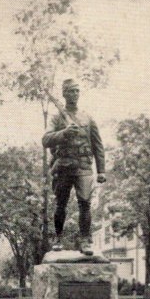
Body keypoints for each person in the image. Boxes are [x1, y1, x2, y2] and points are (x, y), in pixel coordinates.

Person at [42, 79, 106, 255]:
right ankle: (58, 238)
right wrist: (63, 133)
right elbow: (45, 140)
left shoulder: (88, 117)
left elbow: (98, 145)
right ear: (64, 94)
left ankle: (86, 240)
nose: (74, 94)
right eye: (70, 91)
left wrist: (101, 171)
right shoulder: (57, 118)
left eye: (77, 91)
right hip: (63, 166)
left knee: (85, 203)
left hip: (84, 166)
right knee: (60, 204)